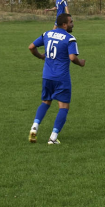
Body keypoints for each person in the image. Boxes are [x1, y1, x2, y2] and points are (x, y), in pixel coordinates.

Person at [27, 13, 85, 145]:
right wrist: (80, 62)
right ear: (64, 25)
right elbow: (72, 57)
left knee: (45, 102)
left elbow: (31, 47)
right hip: (61, 77)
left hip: (47, 76)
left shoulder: (47, 34)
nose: (72, 24)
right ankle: (53, 138)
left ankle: (34, 127)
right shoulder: (70, 39)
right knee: (63, 106)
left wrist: (41, 56)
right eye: (71, 22)